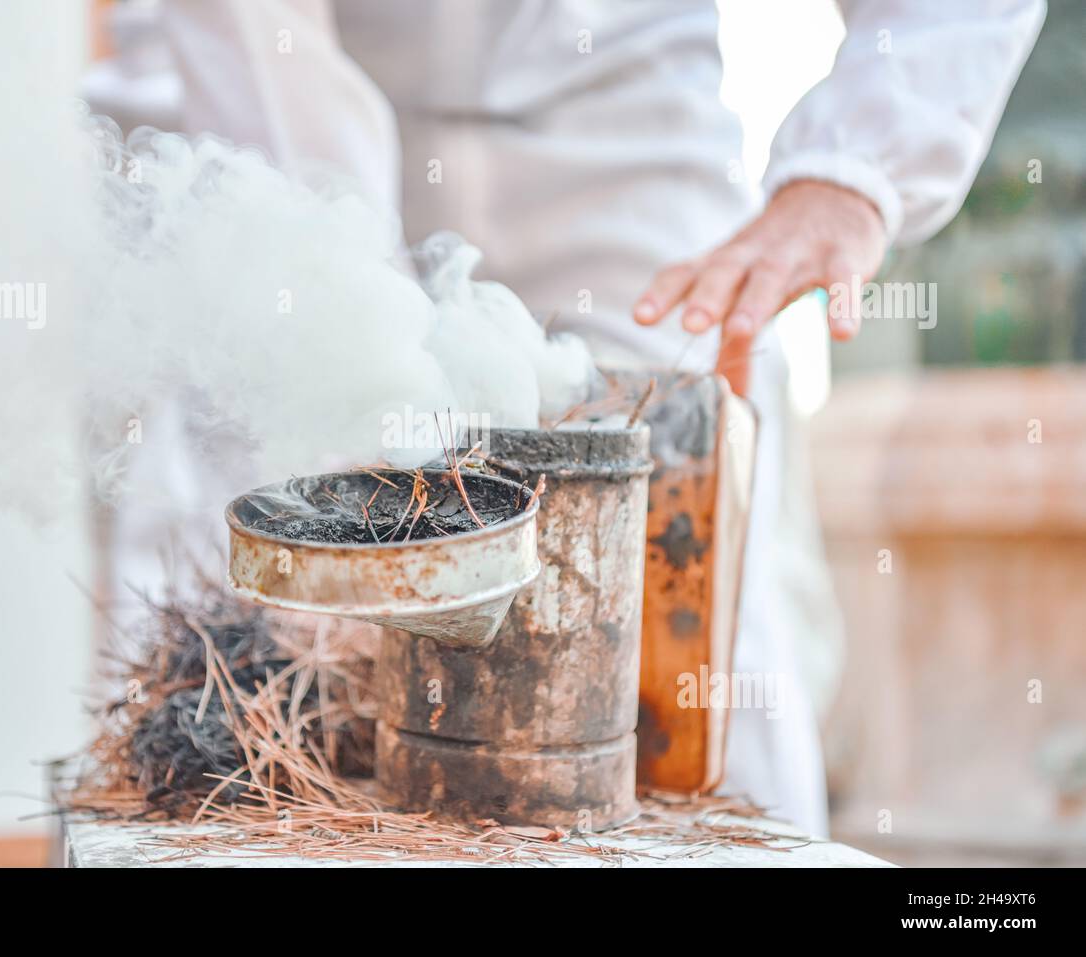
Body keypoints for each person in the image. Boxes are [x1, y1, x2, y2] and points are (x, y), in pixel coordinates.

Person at [106, 0, 1044, 836]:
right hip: (279, 109)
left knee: (692, 595)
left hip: (626, 131)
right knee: (272, 608)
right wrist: (346, 323)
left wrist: (857, 167)